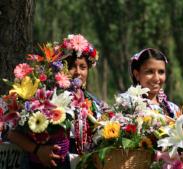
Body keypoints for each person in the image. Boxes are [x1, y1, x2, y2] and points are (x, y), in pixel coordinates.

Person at [7, 34, 108, 169]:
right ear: (62, 69)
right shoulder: (48, 96)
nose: (78, 72)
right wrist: (37, 150)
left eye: (83, 67)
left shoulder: (95, 104)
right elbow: (12, 134)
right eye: (72, 66)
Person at [129, 48, 180, 119]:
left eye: (161, 72)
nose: (156, 78)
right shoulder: (126, 105)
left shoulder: (174, 110)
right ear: (137, 75)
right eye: (149, 72)